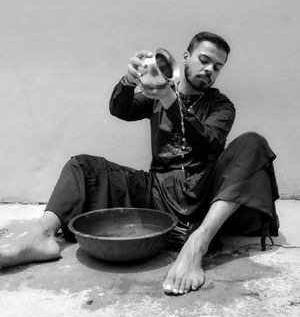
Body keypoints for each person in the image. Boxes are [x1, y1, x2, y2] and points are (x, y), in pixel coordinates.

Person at [0, 32, 279, 295]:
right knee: (82, 166)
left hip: (205, 192)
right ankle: (42, 235)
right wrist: (128, 79)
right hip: (156, 192)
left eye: (217, 67)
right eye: (204, 60)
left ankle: (197, 243)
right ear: (186, 57)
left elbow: (208, 142)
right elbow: (120, 109)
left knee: (253, 142)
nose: (209, 70)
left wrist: (170, 99)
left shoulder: (221, 106)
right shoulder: (158, 93)